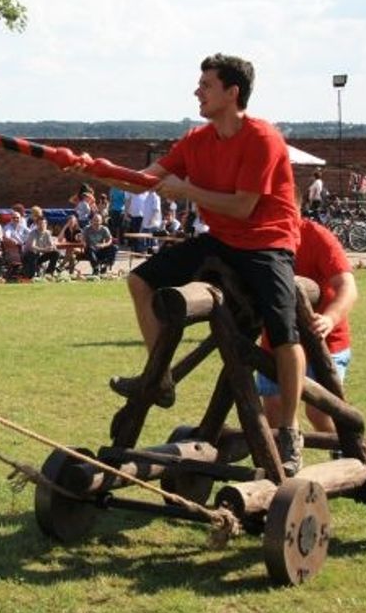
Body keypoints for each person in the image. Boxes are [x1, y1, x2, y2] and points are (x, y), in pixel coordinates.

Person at [97, 53, 306, 476]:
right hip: (222, 242)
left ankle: (290, 429)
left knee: (283, 333)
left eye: (206, 84)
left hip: (268, 243)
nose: (197, 90)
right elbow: (145, 179)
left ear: (233, 92)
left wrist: (188, 190)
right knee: (140, 280)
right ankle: (160, 378)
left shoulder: (263, 138)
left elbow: (245, 207)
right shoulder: (197, 140)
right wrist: (90, 168)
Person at [258, 216, 358, 438]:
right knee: (274, 408)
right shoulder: (258, 237)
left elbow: (348, 286)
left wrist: (329, 319)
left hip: (324, 342)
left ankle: (342, 451)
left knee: (319, 411)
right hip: (278, 340)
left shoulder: (317, 237)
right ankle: (285, 462)